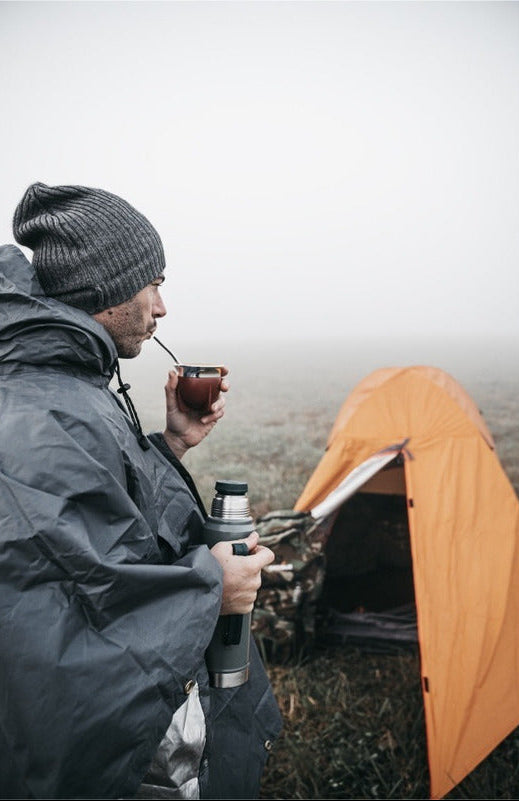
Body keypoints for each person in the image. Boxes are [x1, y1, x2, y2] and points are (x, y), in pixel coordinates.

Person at [0, 183, 282, 800]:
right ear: (104, 289)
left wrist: (171, 444)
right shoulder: (46, 413)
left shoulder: (65, 381)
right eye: (152, 282)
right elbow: (55, 629)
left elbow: (103, 523)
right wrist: (213, 590)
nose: (161, 307)